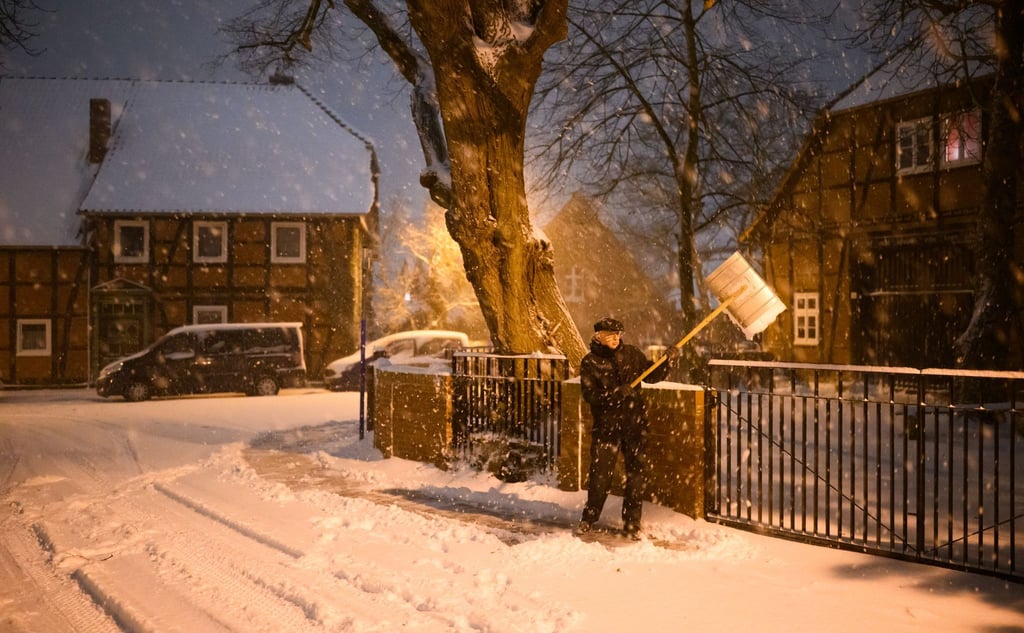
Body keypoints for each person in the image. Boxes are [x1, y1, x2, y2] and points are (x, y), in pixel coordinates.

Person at [577, 316, 680, 539]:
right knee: (600, 476)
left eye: (618, 334)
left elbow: (652, 376)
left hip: (634, 425)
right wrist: (615, 394)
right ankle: (589, 518)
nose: (616, 338)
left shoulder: (632, 354)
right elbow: (589, 395)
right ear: (598, 336)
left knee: (636, 476)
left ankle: (632, 523)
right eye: (611, 335)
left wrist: (666, 361)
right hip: (607, 429)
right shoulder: (590, 362)